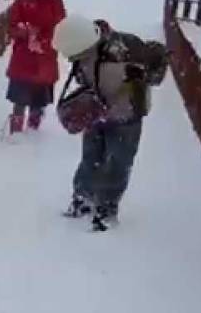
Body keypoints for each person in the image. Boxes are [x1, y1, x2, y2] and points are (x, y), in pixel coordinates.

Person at [53, 14, 168, 232]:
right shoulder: (80, 51)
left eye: (78, 54)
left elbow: (157, 64)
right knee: (91, 158)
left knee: (118, 162)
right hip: (96, 112)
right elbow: (83, 78)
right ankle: (82, 198)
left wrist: (146, 73)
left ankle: (106, 208)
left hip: (127, 116)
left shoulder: (128, 47)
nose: (75, 58)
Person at [0, 0, 66, 137]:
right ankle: (16, 132)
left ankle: (34, 131)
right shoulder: (22, 1)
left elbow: (61, 27)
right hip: (22, 61)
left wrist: (44, 40)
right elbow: (12, 26)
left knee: (38, 101)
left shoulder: (55, 2)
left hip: (45, 61)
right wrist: (25, 32)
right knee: (19, 100)